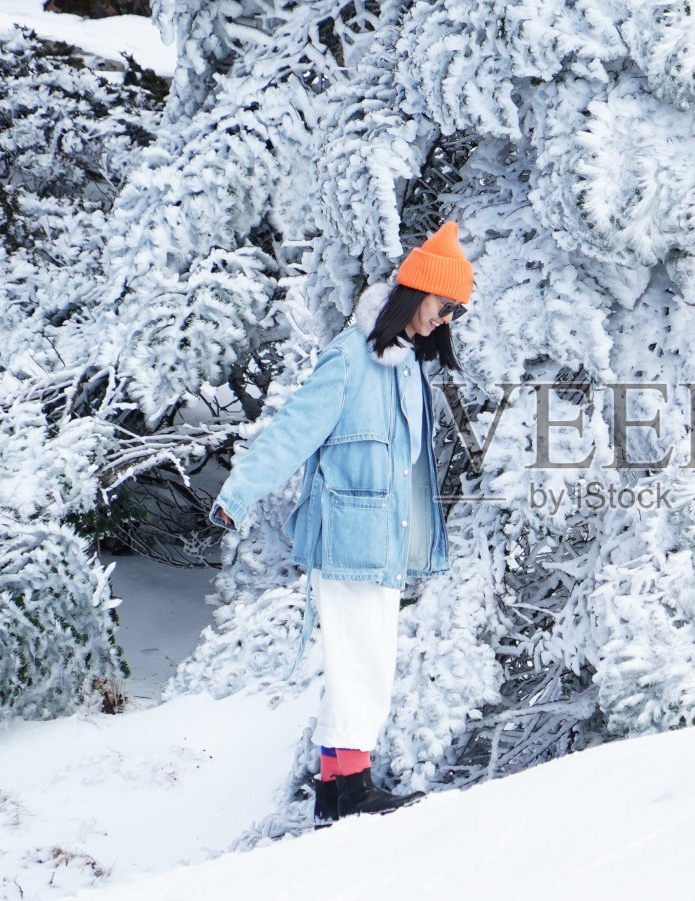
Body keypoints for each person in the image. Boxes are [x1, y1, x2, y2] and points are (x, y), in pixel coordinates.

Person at [208, 222, 471, 825]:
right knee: (364, 662)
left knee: (362, 658)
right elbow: (294, 429)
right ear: (415, 292)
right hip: (349, 537)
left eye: (456, 311)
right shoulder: (351, 359)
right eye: (444, 304)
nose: (447, 319)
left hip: (381, 542)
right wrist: (239, 494)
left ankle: (335, 788)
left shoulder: (405, 364)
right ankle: (354, 789)